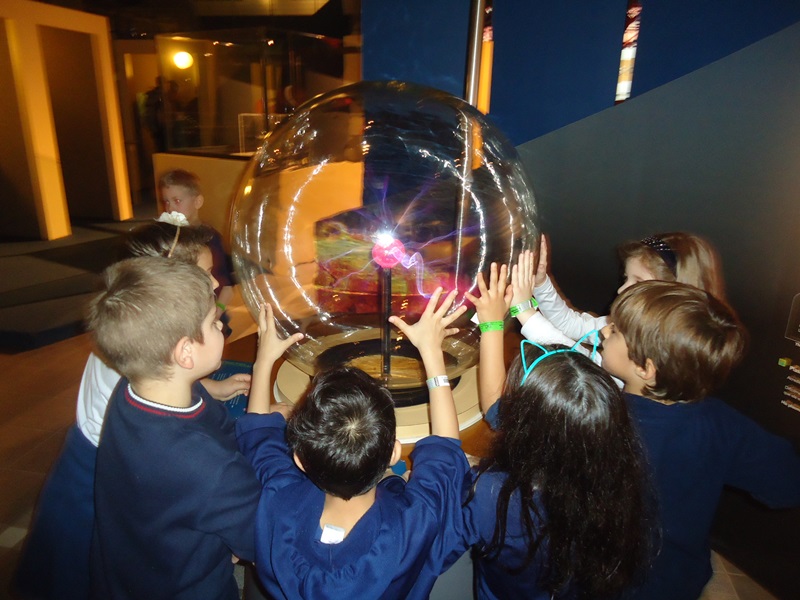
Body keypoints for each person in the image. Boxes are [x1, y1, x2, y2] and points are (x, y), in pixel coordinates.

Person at [11, 219, 250, 600]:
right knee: (85, 563)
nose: (214, 282)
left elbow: (164, 381)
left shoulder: (143, 335)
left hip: (116, 451)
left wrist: (212, 388)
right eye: (204, 273)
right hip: (95, 465)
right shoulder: (150, 349)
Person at [235, 288, 471, 599]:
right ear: (394, 453)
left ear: (300, 460)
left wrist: (263, 361)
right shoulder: (415, 522)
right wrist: (432, 353)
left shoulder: (280, 498)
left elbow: (259, 436)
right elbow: (445, 452)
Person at [457, 263, 654, 599]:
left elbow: (494, 408)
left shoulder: (495, 494)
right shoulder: (617, 476)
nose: (605, 329)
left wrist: (491, 325)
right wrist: (517, 312)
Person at [601, 281, 800, 600]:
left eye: (615, 331)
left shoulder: (601, 420)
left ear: (645, 367)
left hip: (603, 581)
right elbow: (787, 484)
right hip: (676, 581)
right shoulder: (723, 423)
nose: (603, 332)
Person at [87, 257, 260, 599]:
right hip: (187, 587)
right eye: (214, 323)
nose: (222, 326)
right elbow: (261, 540)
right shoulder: (208, 468)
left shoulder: (130, 392)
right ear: (185, 353)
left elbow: (219, 429)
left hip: (130, 569)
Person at [514, 232, 728, 346]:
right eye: (626, 278)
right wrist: (541, 283)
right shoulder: (621, 325)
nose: (620, 290)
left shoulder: (654, 353)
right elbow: (571, 325)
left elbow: (578, 367)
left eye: (638, 282)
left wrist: (524, 311)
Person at [158, 169, 234, 334]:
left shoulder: (211, 240)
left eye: (177, 201)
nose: (170, 208)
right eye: (166, 201)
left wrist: (218, 311)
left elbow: (227, 286)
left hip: (210, 312)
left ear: (197, 202)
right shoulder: (169, 238)